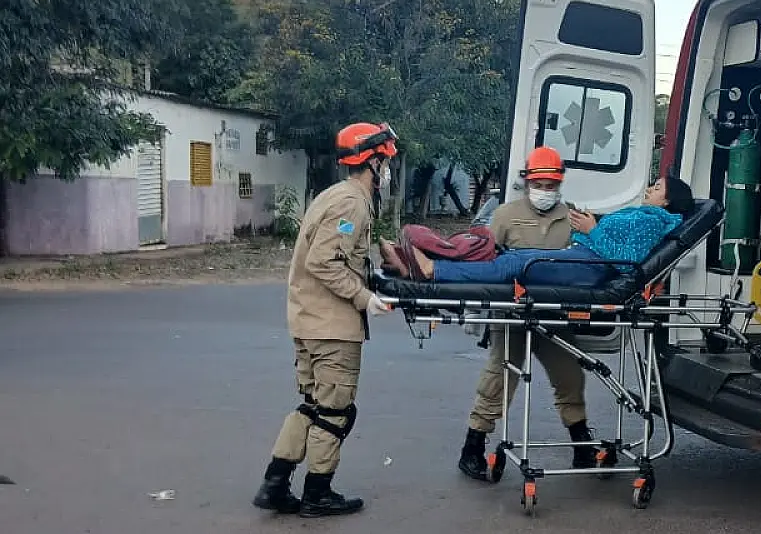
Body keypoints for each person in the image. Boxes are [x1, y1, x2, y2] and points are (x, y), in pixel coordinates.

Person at [252, 122, 399, 519]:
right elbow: (323, 260)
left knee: (313, 407)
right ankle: (317, 493)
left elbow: (336, 254)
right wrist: (364, 297)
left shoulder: (333, 196)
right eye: (385, 161)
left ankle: (275, 484)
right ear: (372, 161)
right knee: (335, 412)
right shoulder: (352, 202)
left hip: (309, 322)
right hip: (331, 328)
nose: (387, 169)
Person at [450, 147, 602, 480]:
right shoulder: (505, 215)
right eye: (540, 184)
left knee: (570, 378)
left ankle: (581, 445)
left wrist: (593, 231)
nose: (546, 191)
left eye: (551, 185)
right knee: (498, 379)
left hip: (556, 316)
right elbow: (486, 260)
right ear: (527, 181)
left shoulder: (573, 217)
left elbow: (589, 261)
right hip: (513, 315)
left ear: (560, 183)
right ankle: (472, 448)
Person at [386, 176, 695, 288]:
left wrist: (593, 229)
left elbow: (632, 261)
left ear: (666, 202)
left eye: (656, 189)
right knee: (508, 255)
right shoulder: (644, 215)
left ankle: (431, 269)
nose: (649, 190)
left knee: (514, 266)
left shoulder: (654, 220)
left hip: (591, 270)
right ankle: (418, 262)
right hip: (583, 257)